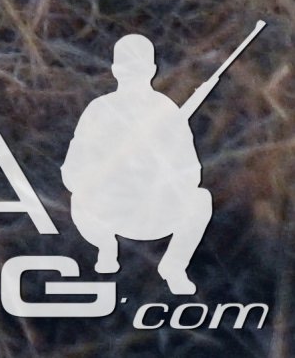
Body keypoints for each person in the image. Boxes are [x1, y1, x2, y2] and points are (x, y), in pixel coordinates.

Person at [63, 31, 221, 295]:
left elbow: (191, 174)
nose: (132, 75)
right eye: (129, 68)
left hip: (156, 212)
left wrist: (160, 167)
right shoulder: (100, 110)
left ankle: (174, 266)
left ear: (151, 70)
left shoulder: (167, 112)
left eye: (135, 68)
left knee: (200, 199)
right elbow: (72, 174)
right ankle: (105, 247)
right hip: (109, 211)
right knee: (78, 198)